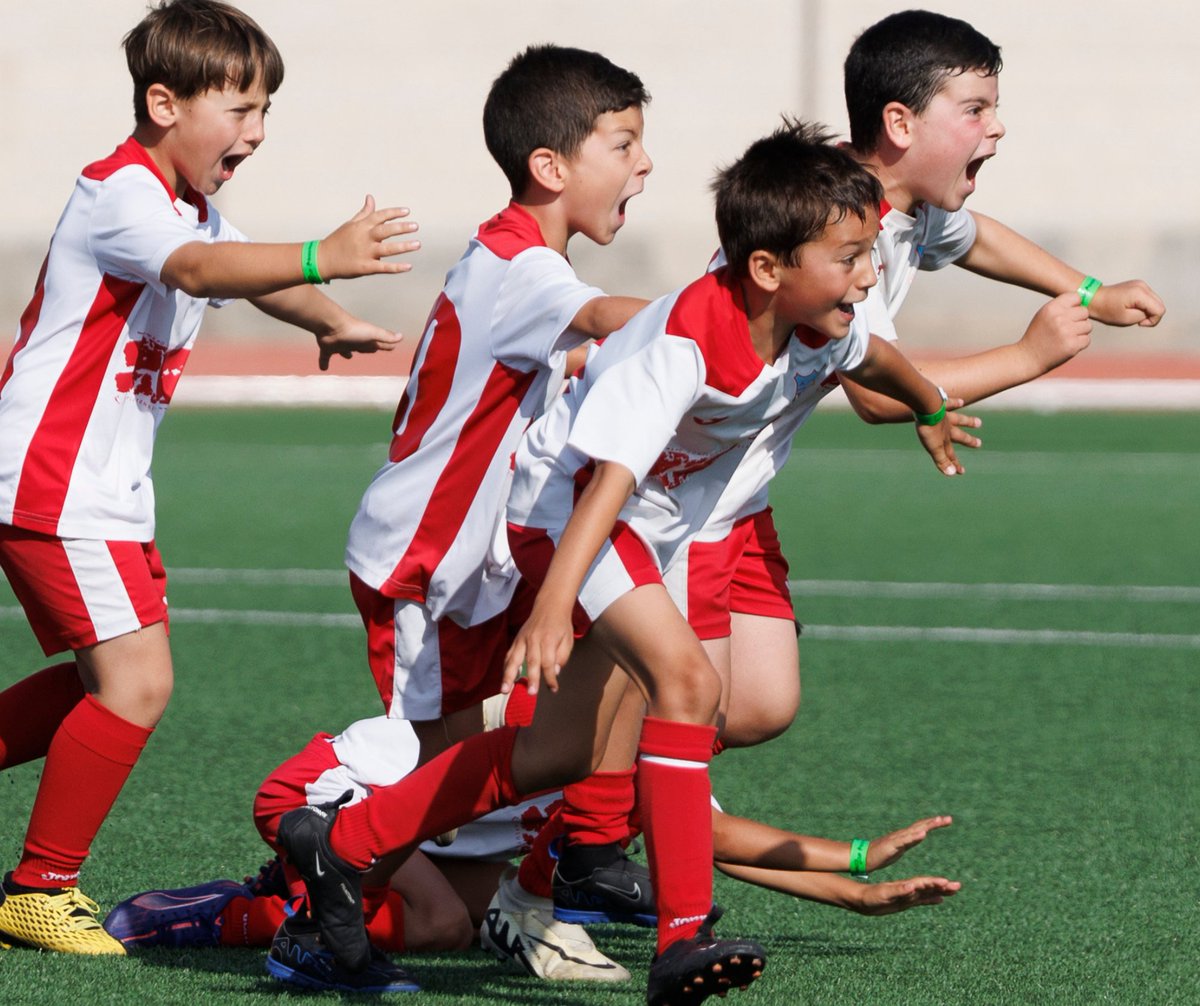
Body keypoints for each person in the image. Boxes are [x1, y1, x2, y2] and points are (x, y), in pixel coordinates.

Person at [277, 120, 962, 1006]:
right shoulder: (684, 343)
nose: (868, 276)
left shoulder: (821, 323)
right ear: (767, 270)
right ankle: (684, 936)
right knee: (689, 685)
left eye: (869, 253)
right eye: (850, 257)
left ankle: (349, 842)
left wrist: (929, 404)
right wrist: (549, 609)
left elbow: (877, 355)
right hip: (570, 518)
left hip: (641, 529)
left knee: (557, 755)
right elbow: (606, 484)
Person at [0, 0, 419, 956]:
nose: (257, 132)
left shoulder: (183, 200)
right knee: (135, 683)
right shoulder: (122, 191)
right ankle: (37, 888)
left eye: (265, 110)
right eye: (239, 110)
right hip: (54, 478)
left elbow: (235, 264)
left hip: (92, 486)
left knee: (100, 682)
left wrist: (322, 314)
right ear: (162, 101)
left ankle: (37, 880)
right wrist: (327, 254)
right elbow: (197, 270)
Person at [266, 42, 653, 992]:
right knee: (430, 762)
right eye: (626, 142)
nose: (646, 165)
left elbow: (567, 360)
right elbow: (607, 320)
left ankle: (393, 882)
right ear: (550, 167)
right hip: (425, 560)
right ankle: (298, 842)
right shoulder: (521, 268)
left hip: (471, 562)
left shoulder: (518, 261)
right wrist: (741, 316)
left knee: (452, 873)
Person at [102, 684, 959, 974]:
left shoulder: (646, 746)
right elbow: (719, 846)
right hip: (328, 792)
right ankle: (230, 915)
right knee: (442, 926)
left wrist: (860, 890)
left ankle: (293, 893)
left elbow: (715, 847)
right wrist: (853, 863)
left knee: (471, 923)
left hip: (406, 832)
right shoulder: (589, 719)